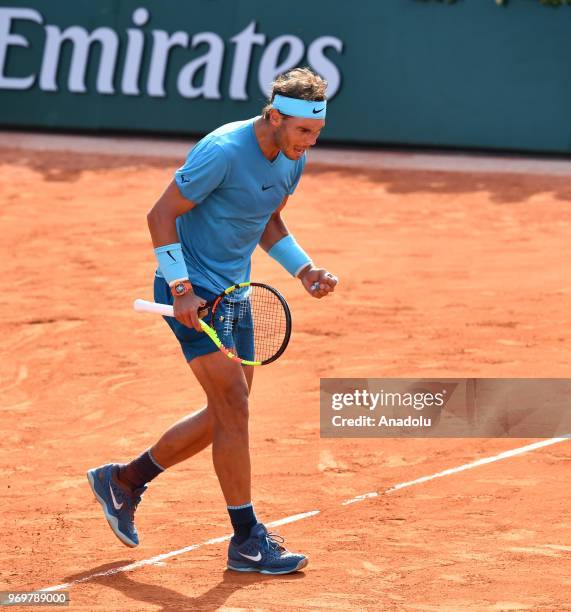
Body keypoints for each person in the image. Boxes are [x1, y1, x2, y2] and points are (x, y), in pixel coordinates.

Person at [87, 67, 338, 575]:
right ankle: (247, 538)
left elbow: (266, 219)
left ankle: (124, 480)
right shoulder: (222, 151)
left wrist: (304, 268)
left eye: (316, 132)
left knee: (226, 412)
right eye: (303, 131)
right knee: (234, 405)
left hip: (236, 293)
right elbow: (160, 215)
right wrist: (180, 288)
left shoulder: (292, 157)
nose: (310, 143)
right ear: (274, 116)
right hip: (191, 292)